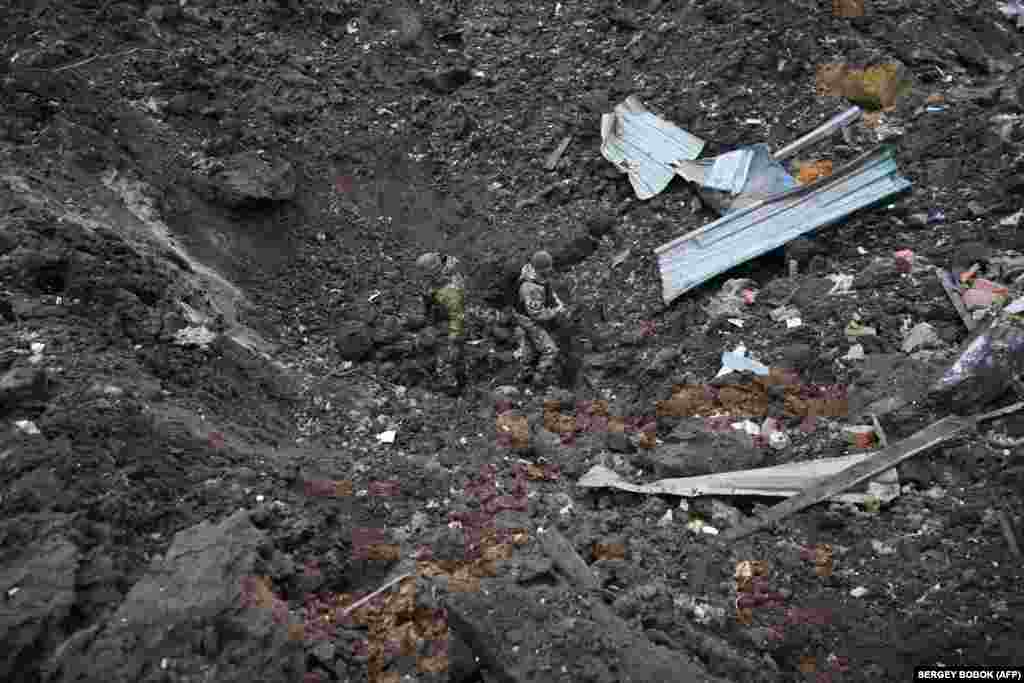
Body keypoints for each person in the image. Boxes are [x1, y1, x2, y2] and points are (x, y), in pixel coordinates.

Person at [513, 250, 567, 386]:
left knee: (530, 348)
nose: (551, 270)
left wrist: (557, 303)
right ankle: (539, 378)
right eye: (548, 267)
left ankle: (524, 372)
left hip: (526, 317)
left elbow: (549, 291)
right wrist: (555, 312)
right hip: (529, 321)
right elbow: (536, 314)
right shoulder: (530, 288)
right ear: (541, 269)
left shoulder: (539, 278)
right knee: (550, 350)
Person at [416, 252, 466, 394]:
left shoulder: (449, 290)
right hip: (441, 320)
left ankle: (451, 387)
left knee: (447, 356)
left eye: (425, 274)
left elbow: (457, 315)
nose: (424, 278)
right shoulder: (437, 282)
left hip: (451, 325)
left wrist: (453, 337)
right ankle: (457, 379)